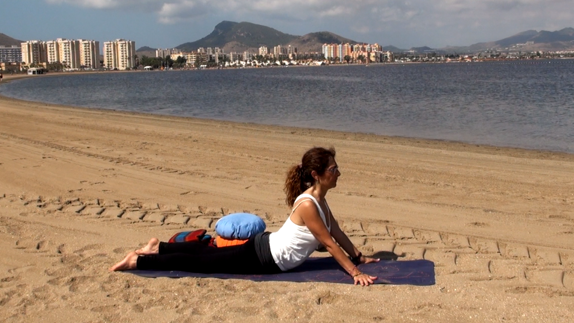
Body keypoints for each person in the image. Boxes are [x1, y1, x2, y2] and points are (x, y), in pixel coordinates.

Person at [110, 147, 380, 286]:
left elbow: (338, 234)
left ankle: (160, 247)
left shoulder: (320, 200)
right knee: (204, 263)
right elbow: (329, 244)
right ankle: (141, 260)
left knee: (207, 256)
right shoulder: (308, 204)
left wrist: (358, 256)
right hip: (264, 257)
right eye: (333, 168)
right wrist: (355, 273)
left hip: (265, 248)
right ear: (316, 175)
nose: (338, 173)